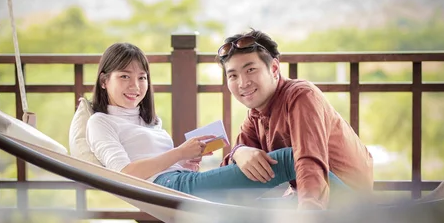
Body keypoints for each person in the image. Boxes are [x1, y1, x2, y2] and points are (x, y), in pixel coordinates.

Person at [85, 42, 347, 205]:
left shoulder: (148, 121)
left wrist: (186, 162)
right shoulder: (100, 122)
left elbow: (161, 162)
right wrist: (179, 153)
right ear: (104, 81)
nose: (136, 86)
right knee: (289, 159)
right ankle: (365, 211)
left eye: (142, 78)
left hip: (182, 181)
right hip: (169, 189)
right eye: (125, 77)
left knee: (282, 209)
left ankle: (358, 218)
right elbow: (123, 175)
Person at [216, 29, 374, 210]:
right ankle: (184, 192)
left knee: (242, 218)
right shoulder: (255, 115)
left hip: (345, 201)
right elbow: (232, 176)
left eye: (251, 70)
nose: (243, 83)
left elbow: (310, 160)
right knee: (236, 213)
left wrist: (307, 217)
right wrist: (238, 151)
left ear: (274, 68)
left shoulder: (300, 96)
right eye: (233, 75)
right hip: (306, 197)